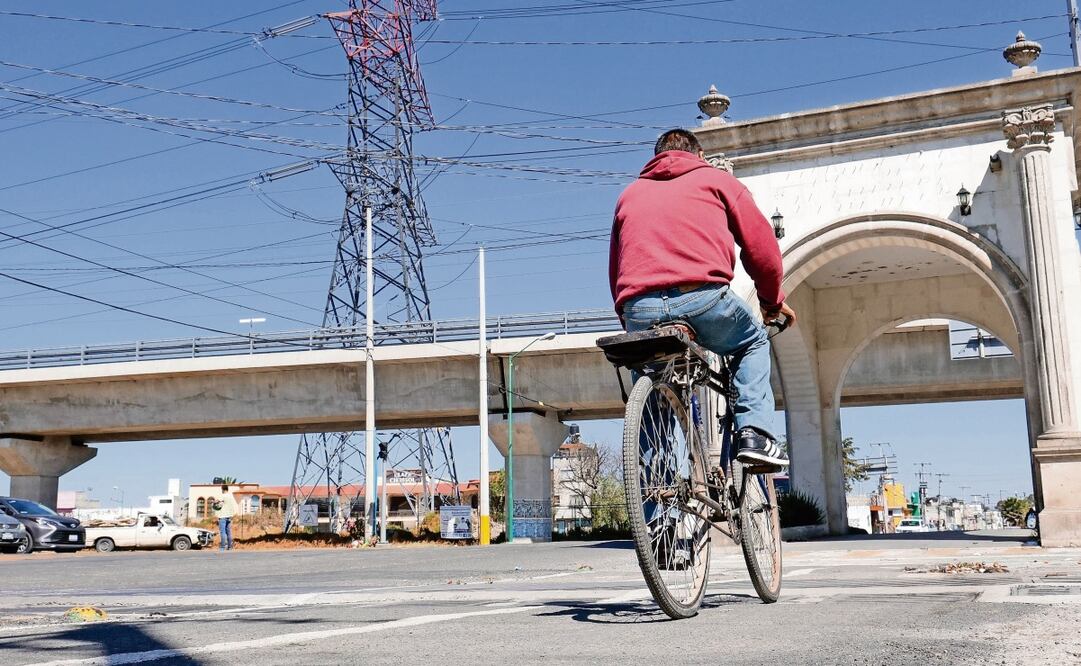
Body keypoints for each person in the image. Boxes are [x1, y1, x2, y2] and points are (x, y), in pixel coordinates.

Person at [609, 128, 797, 470]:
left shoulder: (629, 195)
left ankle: (651, 509)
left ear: (655, 157)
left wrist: (632, 321)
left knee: (651, 384)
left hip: (639, 306)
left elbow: (615, 266)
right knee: (753, 342)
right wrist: (771, 301)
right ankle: (755, 434)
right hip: (702, 299)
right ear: (699, 155)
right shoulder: (718, 181)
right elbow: (763, 252)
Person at [214, 484, 238, 551]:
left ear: (223, 489)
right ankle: (230, 547)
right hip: (229, 517)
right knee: (229, 532)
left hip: (223, 516)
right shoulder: (230, 497)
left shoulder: (223, 496)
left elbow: (216, 501)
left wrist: (214, 502)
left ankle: (222, 547)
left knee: (223, 532)